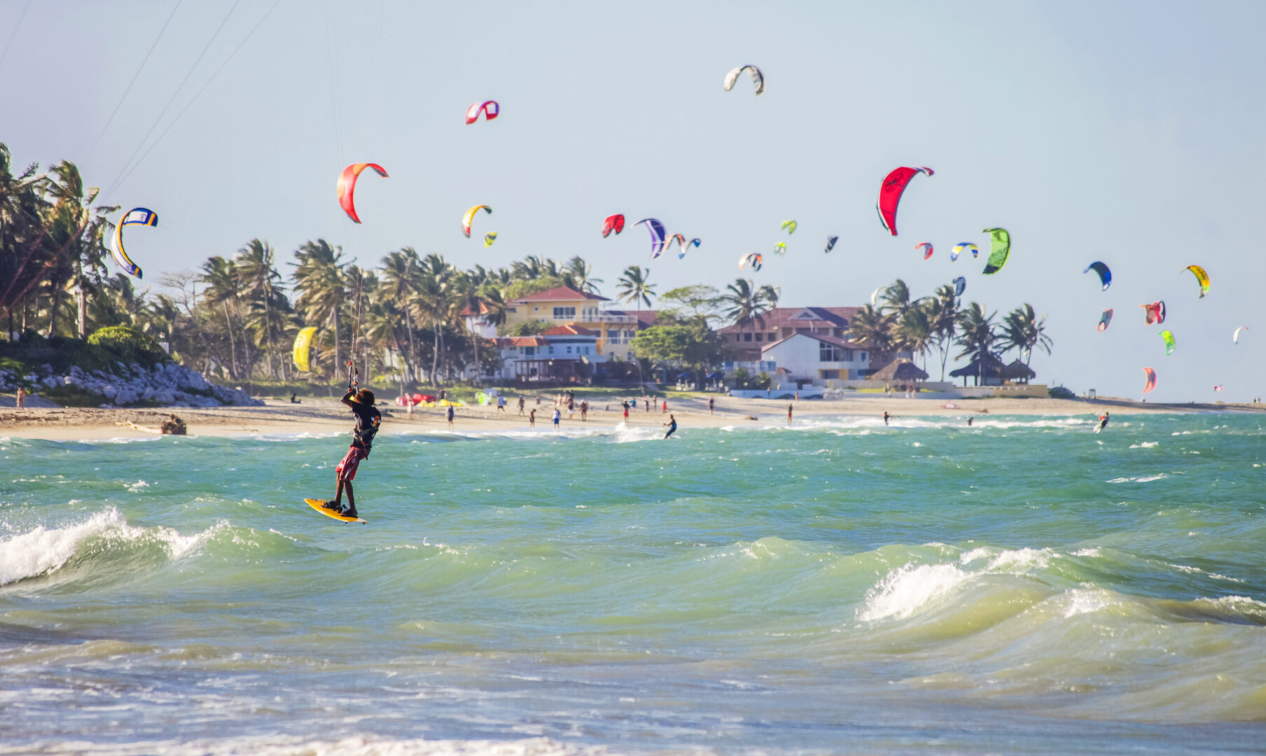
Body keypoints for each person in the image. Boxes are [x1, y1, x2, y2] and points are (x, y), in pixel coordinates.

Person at [321, 386, 380, 518]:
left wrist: (352, 393)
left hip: (359, 448)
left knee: (345, 478)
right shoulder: (375, 412)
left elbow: (344, 399)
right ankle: (337, 502)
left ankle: (353, 510)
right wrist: (356, 396)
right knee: (339, 469)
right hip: (362, 447)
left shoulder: (361, 408)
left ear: (361, 401)